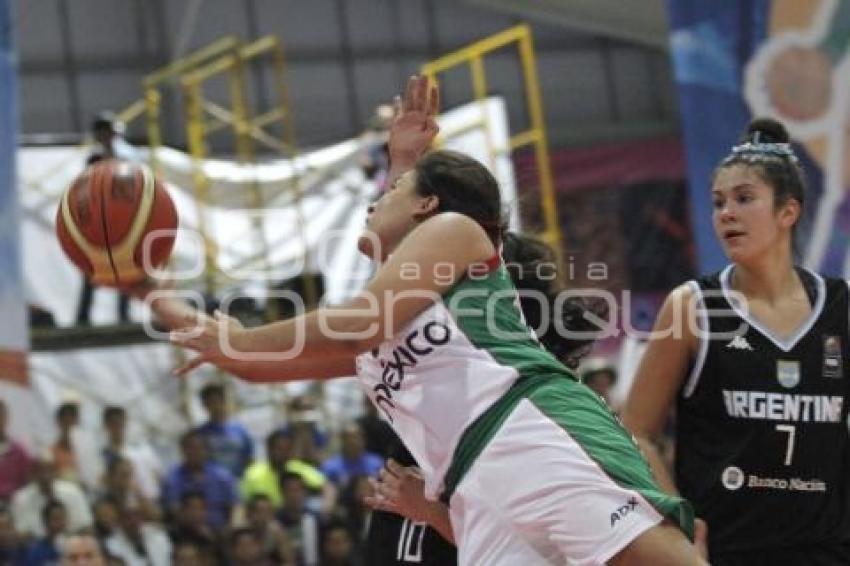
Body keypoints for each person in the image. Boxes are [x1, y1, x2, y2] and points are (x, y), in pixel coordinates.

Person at [145, 75, 701, 565]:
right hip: (474, 487)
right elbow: (257, 367)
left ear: (428, 205)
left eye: (390, 190)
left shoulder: (458, 232)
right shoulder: (395, 310)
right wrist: (162, 299)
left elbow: (362, 318)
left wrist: (235, 337)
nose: (373, 202)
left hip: (531, 431)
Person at [622, 117, 850, 565]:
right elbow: (636, 431)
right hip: (727, 549)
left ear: (788, 211)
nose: (726, 213)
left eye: (745, 199)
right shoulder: (693, 306)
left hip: (829, 548)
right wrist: (677, 521)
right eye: (718, 202)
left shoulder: (839, 306)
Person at [195, 383, 254, 477]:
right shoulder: (201, 433)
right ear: (204, 405)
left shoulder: (240, 430)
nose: (214, 406)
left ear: (224, 401)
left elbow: (250, 458)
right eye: (209, 403)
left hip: (239, 481)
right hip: (214, 484)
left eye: (216, 401)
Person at [0, 399, 32, 503]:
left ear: (6, 419)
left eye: (1, 416)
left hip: (13, 504)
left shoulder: (19, 451)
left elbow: (26, 482)